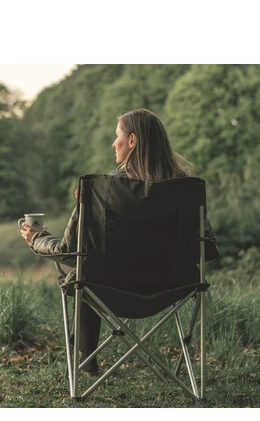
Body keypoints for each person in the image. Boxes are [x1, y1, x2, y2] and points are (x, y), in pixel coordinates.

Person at [20, 108, 219, 374]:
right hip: (171, 287)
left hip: (106, 287)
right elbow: (206, 247)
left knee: (86, 270)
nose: (113, 143)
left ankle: (86, 357)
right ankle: (90, 357)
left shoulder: (101, 192)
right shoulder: (186, 189)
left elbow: (69, 251)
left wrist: (37, 238)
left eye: (117, 136)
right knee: (89, 266)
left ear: (132, 140)